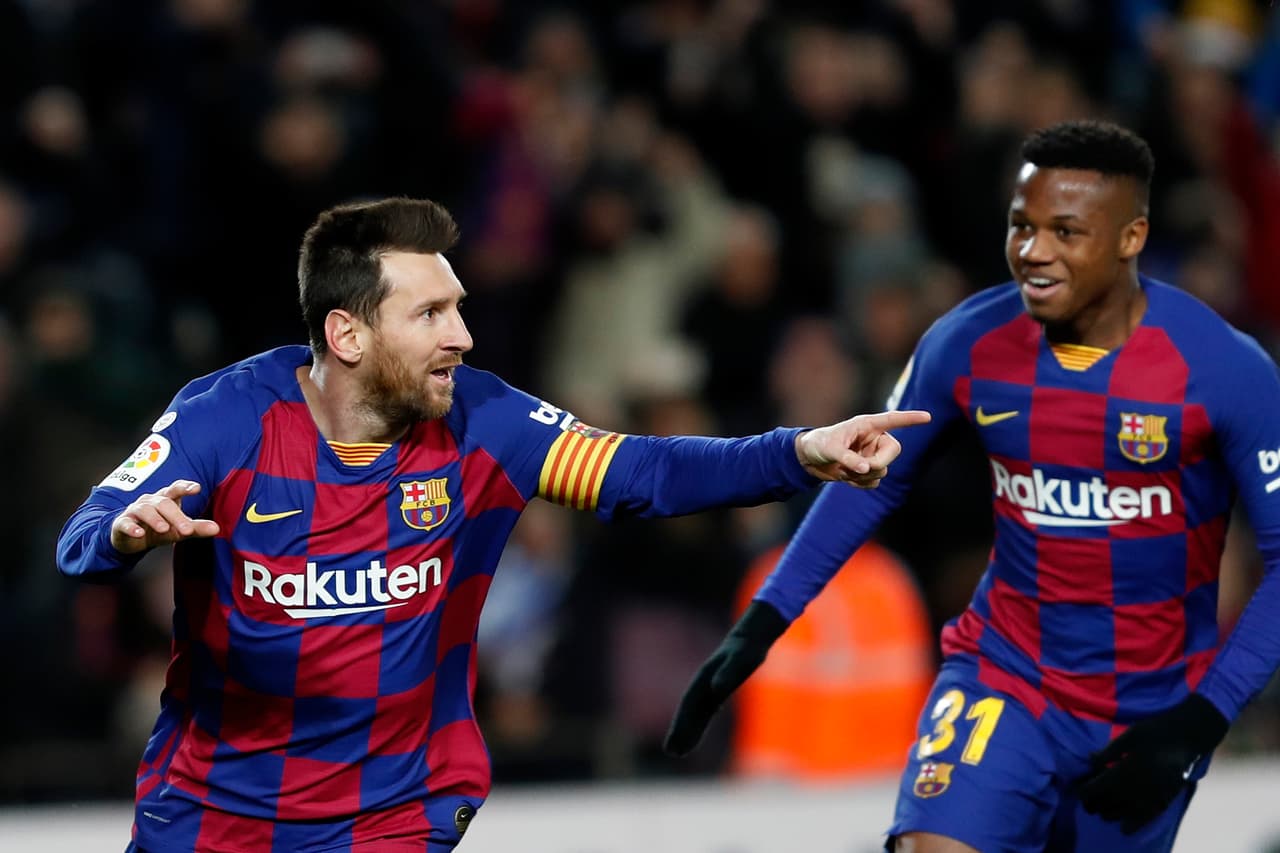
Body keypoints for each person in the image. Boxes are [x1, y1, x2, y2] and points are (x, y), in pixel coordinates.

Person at [54, 196, 929, 853]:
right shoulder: (225, 419)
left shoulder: (486, 424)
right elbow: (80, 538)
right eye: (431, 313)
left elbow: (643, 471)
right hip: (213, 809)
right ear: (347, 334)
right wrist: (124, 535)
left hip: (392, 812)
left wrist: (799, 451)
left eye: (459, 306)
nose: (463, 336)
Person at [664, 119, 1280, 852]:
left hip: (1148, 710)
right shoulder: (967, 342)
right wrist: (761, 625)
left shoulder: (1224, 369)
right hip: (1005, 675)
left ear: (1131, 237)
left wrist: (1203, 717)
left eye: (1065, 231)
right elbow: (873, 479)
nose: (1033, 251)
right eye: (1021, 226)